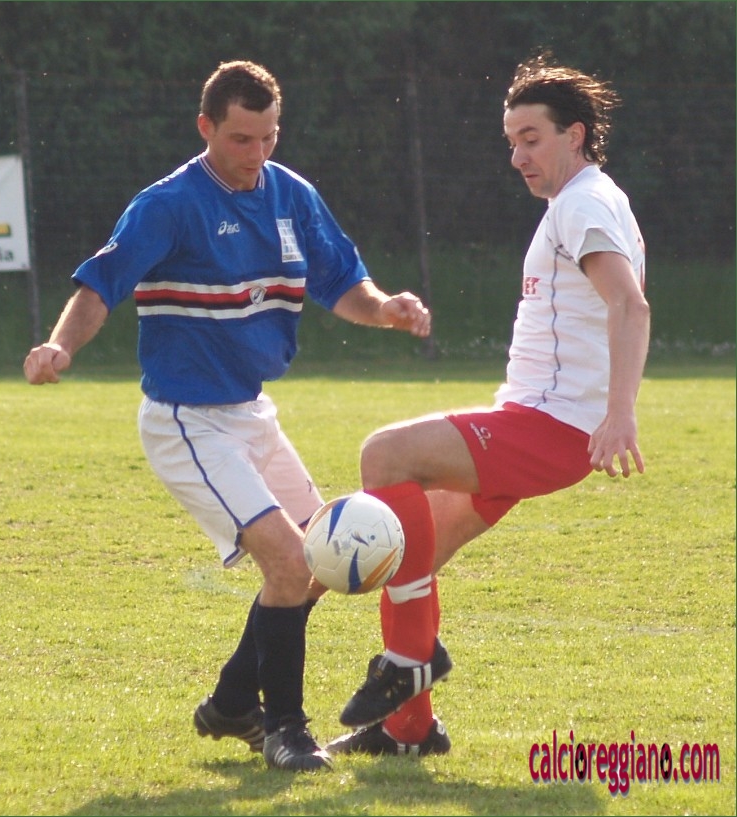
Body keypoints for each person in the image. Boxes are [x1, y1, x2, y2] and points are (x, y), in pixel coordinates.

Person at [23, 60, 430, 772]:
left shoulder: (291, 195)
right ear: (206, 127)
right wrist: (60, 345)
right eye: (242, 138)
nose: (257, 152)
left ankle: (235, 700)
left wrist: (385, 308)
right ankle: (285, 730)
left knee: (314, 567)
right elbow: (100, 285)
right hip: (187, 421)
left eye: (269, 136)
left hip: (252, 413)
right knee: (289, 560)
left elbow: (342, 282)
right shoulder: (168, 205)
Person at [325, 52, 650, 758]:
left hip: (550, 427)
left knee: (385, 454)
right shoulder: (582, 202)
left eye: (531, 138)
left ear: (575, 134)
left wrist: (620, 411)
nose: (517, 156)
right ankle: (411, 729)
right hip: (535, 420)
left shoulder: (584, 203)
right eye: (511, 141)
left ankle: (410, 662)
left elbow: (630, 304)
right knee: (412, 555)